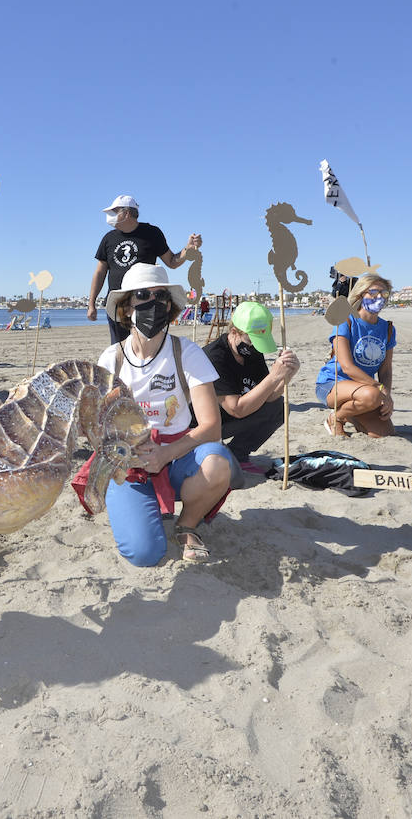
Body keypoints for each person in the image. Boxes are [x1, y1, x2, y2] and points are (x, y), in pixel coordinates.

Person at [97, 264, 233, 565]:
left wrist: (166, 453)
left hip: (179, 452)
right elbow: (99, 425)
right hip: (130, 456)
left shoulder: (187, 352)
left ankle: (187, 525)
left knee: (218, 464)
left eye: (161, 297)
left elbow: (212, 426)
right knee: (145, 554)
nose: (152, 304)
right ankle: (135, 505)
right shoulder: (112, 359)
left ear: (170, 307)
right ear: (126, 307)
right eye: (142, 295)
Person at [202, 302, 300, 479]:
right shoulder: (214, 356)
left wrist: (286, 376)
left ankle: (238, 453)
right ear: (234, 332)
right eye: (251, 340)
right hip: (204, 426)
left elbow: (268, 396)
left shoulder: (251, 352)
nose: (255, 346)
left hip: (232, 417)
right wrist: (274, 376)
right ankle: (220, 450)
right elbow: (236, 409)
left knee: (279, 407)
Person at [86, 195, 202, 343]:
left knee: (147, 344)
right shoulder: (108, 238)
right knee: (120, 347)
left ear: (126, 213)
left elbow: (172, 262)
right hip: (118, 304)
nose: (110, 216)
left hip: (146, 302)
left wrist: (188, 249)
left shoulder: (152, 233)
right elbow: (99, 272)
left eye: (114, 212)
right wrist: (91, 304)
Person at [313, 272, 396, 437]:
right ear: (360, 294)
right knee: (371, 395)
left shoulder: (387, 329)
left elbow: (385, 370)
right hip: (332, 384)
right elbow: (347, 367)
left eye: (384, 293)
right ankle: (336, 418)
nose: (379, 297)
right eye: (373, 292)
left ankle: (351, 413)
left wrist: (387, 395)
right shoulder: (346, 321)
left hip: (364, 389)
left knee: (383, 433)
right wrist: (379, 388)